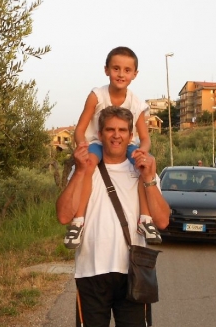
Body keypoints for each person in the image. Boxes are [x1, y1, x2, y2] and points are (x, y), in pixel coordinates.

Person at [56, 106, 170, 327]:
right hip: (90, 272)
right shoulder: (86, 167)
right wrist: (79, 172)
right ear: (100, 133)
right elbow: (64, 215)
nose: (117, 134)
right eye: (110, 129)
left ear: (130, 135)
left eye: (123, 129)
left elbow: (162, 222)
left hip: (131, 271)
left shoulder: (142, 170)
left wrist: (150, 177)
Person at [63, 46, 161, 250]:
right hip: (97, 142)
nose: (121, 74)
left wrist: (141, 151)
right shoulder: (97, 96)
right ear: (106, 70)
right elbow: (80, 129)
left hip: (128, 143)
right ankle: (78, 221)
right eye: (116, 68)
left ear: (135, 74)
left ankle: (145, 219)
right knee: (89, 164)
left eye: (127, 70)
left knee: (142, 167)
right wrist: (82, 146)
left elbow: (145, 138)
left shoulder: (137, 103)